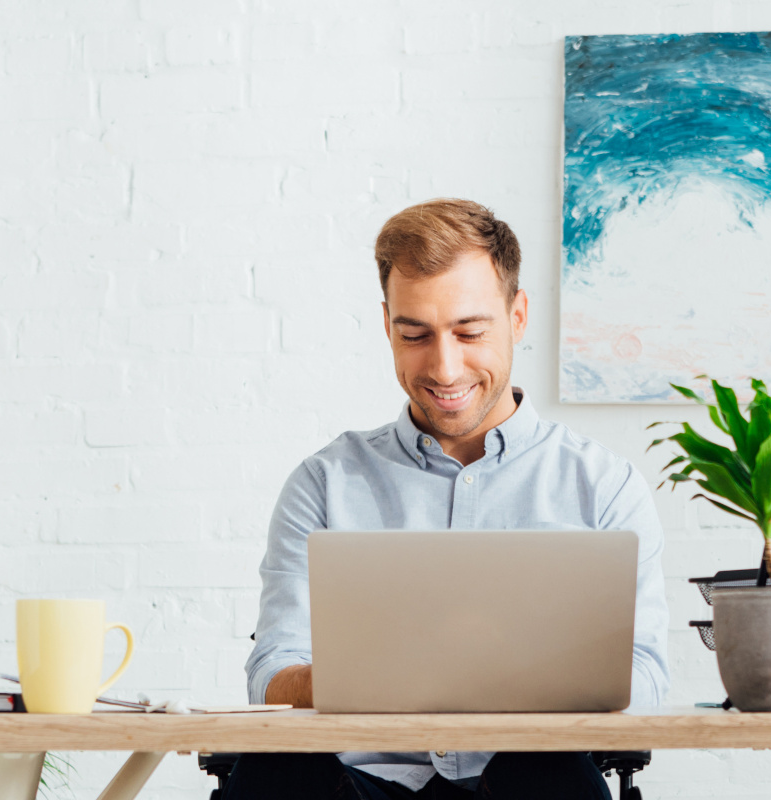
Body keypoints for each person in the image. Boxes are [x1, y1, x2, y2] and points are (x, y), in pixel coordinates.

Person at [225, 199, 669, 800]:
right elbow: (271, 677)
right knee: (270, 769)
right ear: (387, 326)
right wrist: (372, 677)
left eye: (470, 331)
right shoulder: (325, 483)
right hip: (363, 787)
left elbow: (643, 679)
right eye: (415, 335)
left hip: (525, 782)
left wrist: (501, 680)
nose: (444, 366)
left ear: (517, 317)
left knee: (552, 774)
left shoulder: (602, 486)